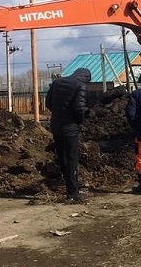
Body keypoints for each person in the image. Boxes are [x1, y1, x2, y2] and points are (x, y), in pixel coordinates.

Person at [45, 68, 92, 202]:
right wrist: (79, 122)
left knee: (62, 157)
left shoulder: (57, 83)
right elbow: (79, 109)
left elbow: (48, 103)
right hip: (70, 128)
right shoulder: (79, 86)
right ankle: (73, 193)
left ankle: (69, 187)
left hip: (56, 126)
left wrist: (59, 113)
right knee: (72, 158)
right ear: (86, 78)